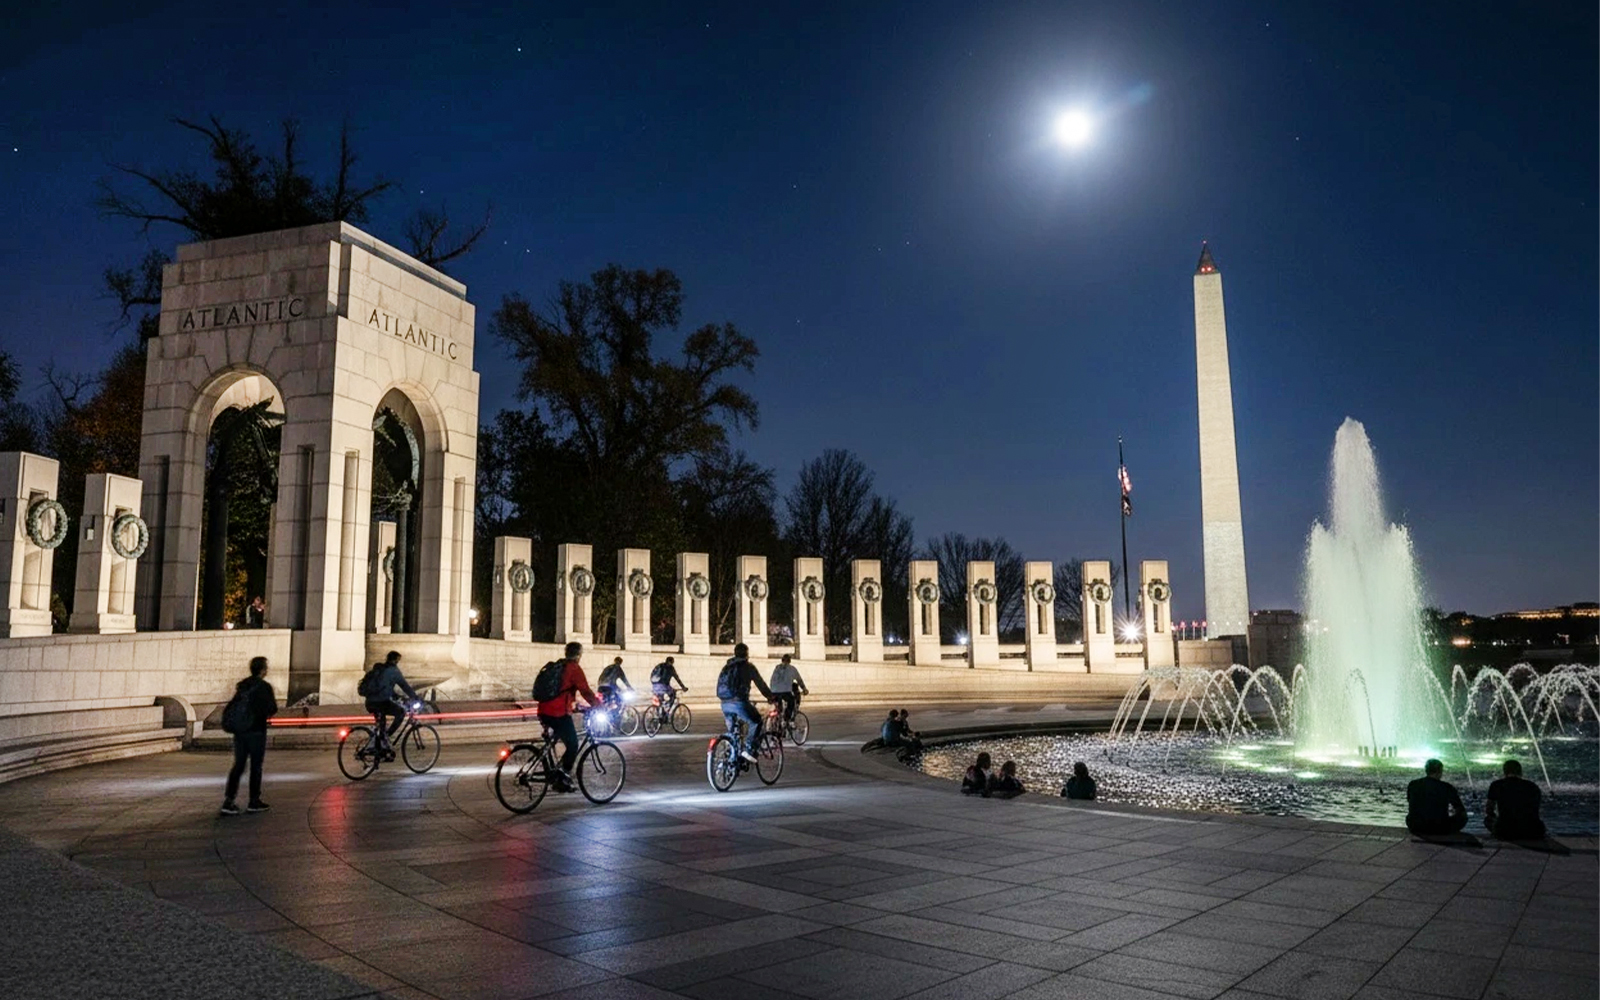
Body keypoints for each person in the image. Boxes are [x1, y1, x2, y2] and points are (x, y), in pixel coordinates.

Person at [536, 641, 599, 791]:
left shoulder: (559, 666)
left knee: (560, 736)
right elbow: (586, 691)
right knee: (573, 744)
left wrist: (575, 705)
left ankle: (556, 774)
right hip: (557, 713)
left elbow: (563, 692)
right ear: (579, 655)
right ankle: (562, 777)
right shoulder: (574, 668)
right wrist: (599, 706)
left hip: (543, 710)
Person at [221, 656, 278, 816]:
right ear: (262, 670)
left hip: (240, 732)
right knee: (256, 766)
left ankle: (229, 800)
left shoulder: (243, 686)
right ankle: (254, 801)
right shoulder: (264, 687)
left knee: (238, 765)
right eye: (265, 667)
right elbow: (272, 708)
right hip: (256, 731)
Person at [716, 643, 774, 762]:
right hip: (739, 702)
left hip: (725, 703)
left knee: (732, 732)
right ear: (747, 654)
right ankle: (748, 750)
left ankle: (731, 758)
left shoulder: (727, 666)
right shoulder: (748, 667)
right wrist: (770, 697)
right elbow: (761, 685)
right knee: (756, 721)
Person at [363, 650, 418, 757]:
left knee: (381, 725)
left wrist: (397, 697)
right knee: (401, 712)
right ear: (396, 660)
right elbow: (404, 686)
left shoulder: (380, 669)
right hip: (381, 702)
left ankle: (380, 747)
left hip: (370, 702)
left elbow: (385, 689)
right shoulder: (393, 671)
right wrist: (415, 697)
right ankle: (386, 737)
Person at [1484, 759, 1546, 840]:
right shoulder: (1532, 786)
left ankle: (1499, 830)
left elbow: (1489, 809)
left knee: (1488, 820)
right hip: (1533, 831)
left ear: (1504, 771)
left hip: (1505, 831)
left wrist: (1497, 819)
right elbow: (1536, 809)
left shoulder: (1497, 785)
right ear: (1520, 771)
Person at [1406, 758, 1469, 835]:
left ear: (1426, 770)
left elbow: (1410, 801)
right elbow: (1459, 808)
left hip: (1415, 826)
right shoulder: (1446, 787)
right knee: (1463, 817)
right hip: (1439, 828)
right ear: (1440, 771)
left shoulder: (1413, 784)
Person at [769, 654, 808, 723]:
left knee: (779, 707)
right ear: (790, 661)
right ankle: (787, 719)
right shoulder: (792, 669)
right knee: (791, 702)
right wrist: (804, 689)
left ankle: (777, 720)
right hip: (785, 692)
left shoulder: (777, 668)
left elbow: (772, 680)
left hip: (773, 691)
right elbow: (799, 680)